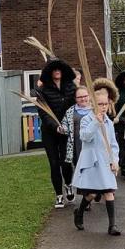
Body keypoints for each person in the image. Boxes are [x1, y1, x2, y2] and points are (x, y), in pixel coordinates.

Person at [72, 83, 121, 235]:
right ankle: (79, 212)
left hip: (106, 162)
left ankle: (112, 226)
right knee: (92, 194)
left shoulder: (109, 123)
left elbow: (113, 144)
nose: (103, 107)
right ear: (93, 104)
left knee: (109, 192)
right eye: (100, 104)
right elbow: (85, 137)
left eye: (106, 104)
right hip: (92, 162)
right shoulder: (86, 120)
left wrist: (115, 160)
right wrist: (95, 122)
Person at [33, 58, 77, 208]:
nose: (57, 71)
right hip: (50, 132)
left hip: (66, 131)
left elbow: (76, 106)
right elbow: (43, 112)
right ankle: (59, 195)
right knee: (54, 163)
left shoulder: (71, 87)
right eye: (54, 69)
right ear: (49, 72)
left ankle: (69, 185)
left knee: (66, 162)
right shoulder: (43, 90)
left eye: (59, 69)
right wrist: (55, 126)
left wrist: (67, 125)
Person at [59, 85, 92, 207]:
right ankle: (86, 198)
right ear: (75, 99)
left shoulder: (95, 109)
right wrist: (62, 129)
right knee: (82, 171)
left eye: (85, 96)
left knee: (93, 170)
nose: (83, 99)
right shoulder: (71, 111)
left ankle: (95, 191)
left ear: (89, 96)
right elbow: (65, 125)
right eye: (79, 97)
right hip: (78, 146)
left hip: (93, 146)